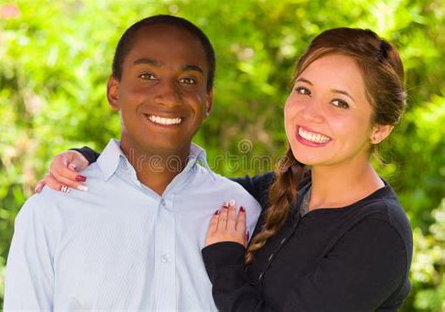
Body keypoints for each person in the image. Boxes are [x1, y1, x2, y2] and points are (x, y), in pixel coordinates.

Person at [42, 27, 413, 311]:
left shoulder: (378, 233)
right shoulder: (286, 189)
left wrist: (224, 259)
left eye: (339, 102)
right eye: (303, 90)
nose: (310, 114)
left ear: (380, 128)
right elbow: (184, 185)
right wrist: (91, 160)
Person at [4, 15, 261, 311]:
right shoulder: (51, 210)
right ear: (114, 92)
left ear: (208, 101)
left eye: (188, 80)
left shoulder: (243, 212)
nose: (168, 95)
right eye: (148, 75)